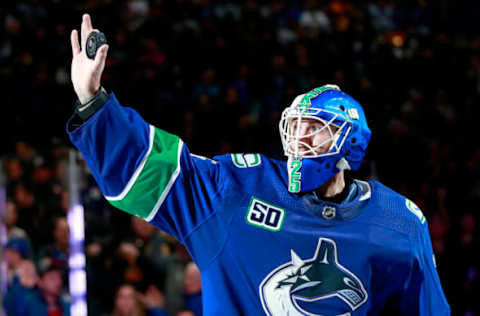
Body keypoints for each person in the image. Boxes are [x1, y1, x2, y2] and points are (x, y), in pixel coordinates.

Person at [68, 14, 450, 315]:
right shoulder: (236, 188)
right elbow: (153, 169)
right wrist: (94, 103)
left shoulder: (399, 222)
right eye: (295, 126)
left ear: (351, 143)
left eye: (315, 129)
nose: (299, 139)